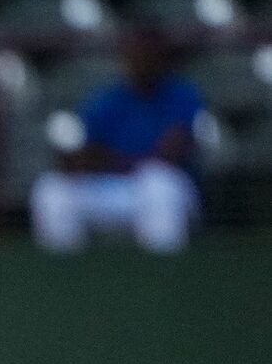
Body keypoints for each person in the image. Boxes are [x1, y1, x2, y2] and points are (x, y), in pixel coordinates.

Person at [30, 29, 205, 255]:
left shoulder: (183, 95)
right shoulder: (107, 98)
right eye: (133, 54)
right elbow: (81, 155)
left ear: (161, 58)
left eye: (146, 54)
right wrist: (96, 161)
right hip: (113, 186)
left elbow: (170, 155)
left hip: (167, 188)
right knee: (52, 189)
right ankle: (63, 278)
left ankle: (163, 276)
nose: (139, 60)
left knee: (158, 182)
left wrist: (106, 159)